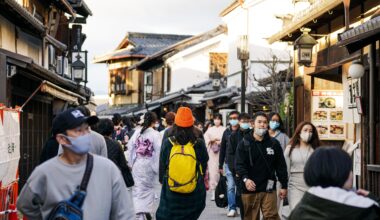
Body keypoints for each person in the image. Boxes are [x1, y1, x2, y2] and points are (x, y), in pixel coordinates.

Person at [17, 108, 135, 219]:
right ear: (62, 139)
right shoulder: (44, 172)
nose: (86, 134)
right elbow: (25, 205)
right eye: (79, 130)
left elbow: (125, 214)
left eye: (87, 128)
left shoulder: (108, 169)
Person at [289, 147, 380, 220]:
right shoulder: (366, 210)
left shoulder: (300, 210)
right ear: (342, 173)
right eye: (349, 169)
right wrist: (375, 200)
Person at [156, 107, 209, 220]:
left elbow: (162, 163)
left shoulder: (168, 141)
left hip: (172, 188)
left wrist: (162, 180)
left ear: (176, 122)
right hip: (194, 190)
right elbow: (204, 162)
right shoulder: (198, 142)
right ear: (192, 123)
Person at [235, 112, 288, 220]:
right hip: (250, 187)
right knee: (251, 217)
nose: (262, 124)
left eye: (265, 122)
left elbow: (281, 166)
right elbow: (239, 165)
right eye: (259, 122)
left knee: (271, 216)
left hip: (269, 187)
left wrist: (284, 185)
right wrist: (245, 179)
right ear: (253, 124)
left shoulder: (274, 143)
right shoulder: (244, 143)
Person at [127, 112, 162, 220]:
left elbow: (130, 147)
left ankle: (139, 214)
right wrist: (157, 168)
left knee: (138, 190)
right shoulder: (155, 134)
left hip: (138, 164)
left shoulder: (137, 132)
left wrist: (131, 163)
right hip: (149, 165)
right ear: (154, 122)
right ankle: (147, 213)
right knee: (148, 190)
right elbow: (159, 151)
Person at [284, 121, 320, 211]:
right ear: (299, 132)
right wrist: (283, 187)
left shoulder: (316, 149)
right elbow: (286, 170)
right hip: (295, 186)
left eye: (311, 131)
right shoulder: (290, 149)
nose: (308, 133)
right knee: (296, 211)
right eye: (305, 130)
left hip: (313, 186)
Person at [227, 112, 251, 219]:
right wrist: (235, 171)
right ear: (239, 122)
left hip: (252, 170)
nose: (245, 123)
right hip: (238, 171)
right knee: (241, 195)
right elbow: (230, 155)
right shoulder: (233, 135)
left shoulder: (252, 134)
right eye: (243, 121)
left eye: (247, 121)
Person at [97, 118, 134, 187]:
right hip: (113, 177)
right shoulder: (116, 144)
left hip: (97, 178)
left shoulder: (95, 142)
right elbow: (123, 164)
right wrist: (129, 181)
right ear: (111, 130)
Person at [218, 111, 240, 217]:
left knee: (240, 187)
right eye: (231, 118)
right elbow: (222, 149)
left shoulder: (243, 132)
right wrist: (220, 165)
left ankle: (240, 205)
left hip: (241, 164)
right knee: (231, 186)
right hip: (228, 163)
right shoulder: (226, 132)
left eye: (235, 118)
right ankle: (232, 207)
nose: (233, 120)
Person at [204, 113, 226, 201]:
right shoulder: (209, 130)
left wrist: (220, 142)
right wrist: (212, 140)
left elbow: (226, 140)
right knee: (212, 172)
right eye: (215, 119)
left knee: (221, 172)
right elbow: (206, 139)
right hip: (212, 154)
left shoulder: (224, 129)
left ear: (221, 120)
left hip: (222, 152)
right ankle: (213, 192)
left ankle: (222, 191)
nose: (217, 120)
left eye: (218, 119)